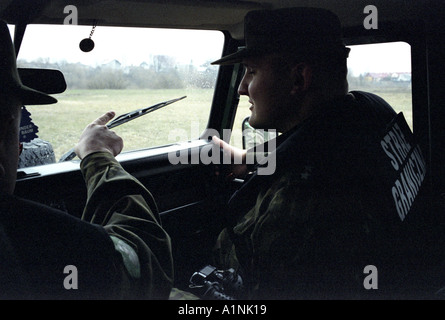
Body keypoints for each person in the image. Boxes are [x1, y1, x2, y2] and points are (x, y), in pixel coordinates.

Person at [205, 7, 438, 299]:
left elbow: (246, 279)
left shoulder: (302, 196)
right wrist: (245, 159)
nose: (241, 88)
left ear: (299, 79)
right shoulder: (371, 111)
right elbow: (311, 139)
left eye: (252, 71)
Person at [0, 20, 173, 299]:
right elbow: (144, 262)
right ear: (7, 130)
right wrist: (97, 155)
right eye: (17, 135)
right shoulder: (35, 242)